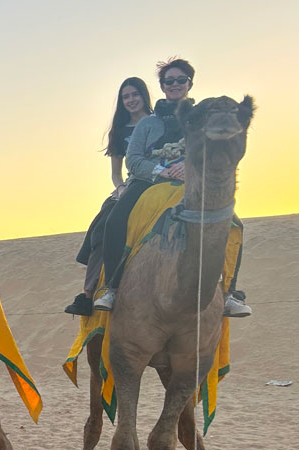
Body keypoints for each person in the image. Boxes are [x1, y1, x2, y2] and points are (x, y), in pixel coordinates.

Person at [93, 59, 251, 316]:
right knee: (115, 220)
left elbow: (214, 151)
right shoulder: (147, 124)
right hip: (148, 183)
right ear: (162, 86)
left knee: (233, 225)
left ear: (190, 83)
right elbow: (133, 159)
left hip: (189, 185)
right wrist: (162, 170)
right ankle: (111, 288)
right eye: (169, 81)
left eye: (180, 80)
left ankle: (230, 293)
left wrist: (189, 168)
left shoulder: (201, 118)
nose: (175, 85)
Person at [64, 77, 153, 316]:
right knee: (102, 228)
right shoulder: (120, 131)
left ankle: (224, 288)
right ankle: (89, 293)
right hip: (132, 185)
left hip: (162, 183)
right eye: (126, 97)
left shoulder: (160, 124)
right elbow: (116, 173)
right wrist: (121, 188)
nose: (131, 100)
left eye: (135, 94)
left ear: (144, 96)